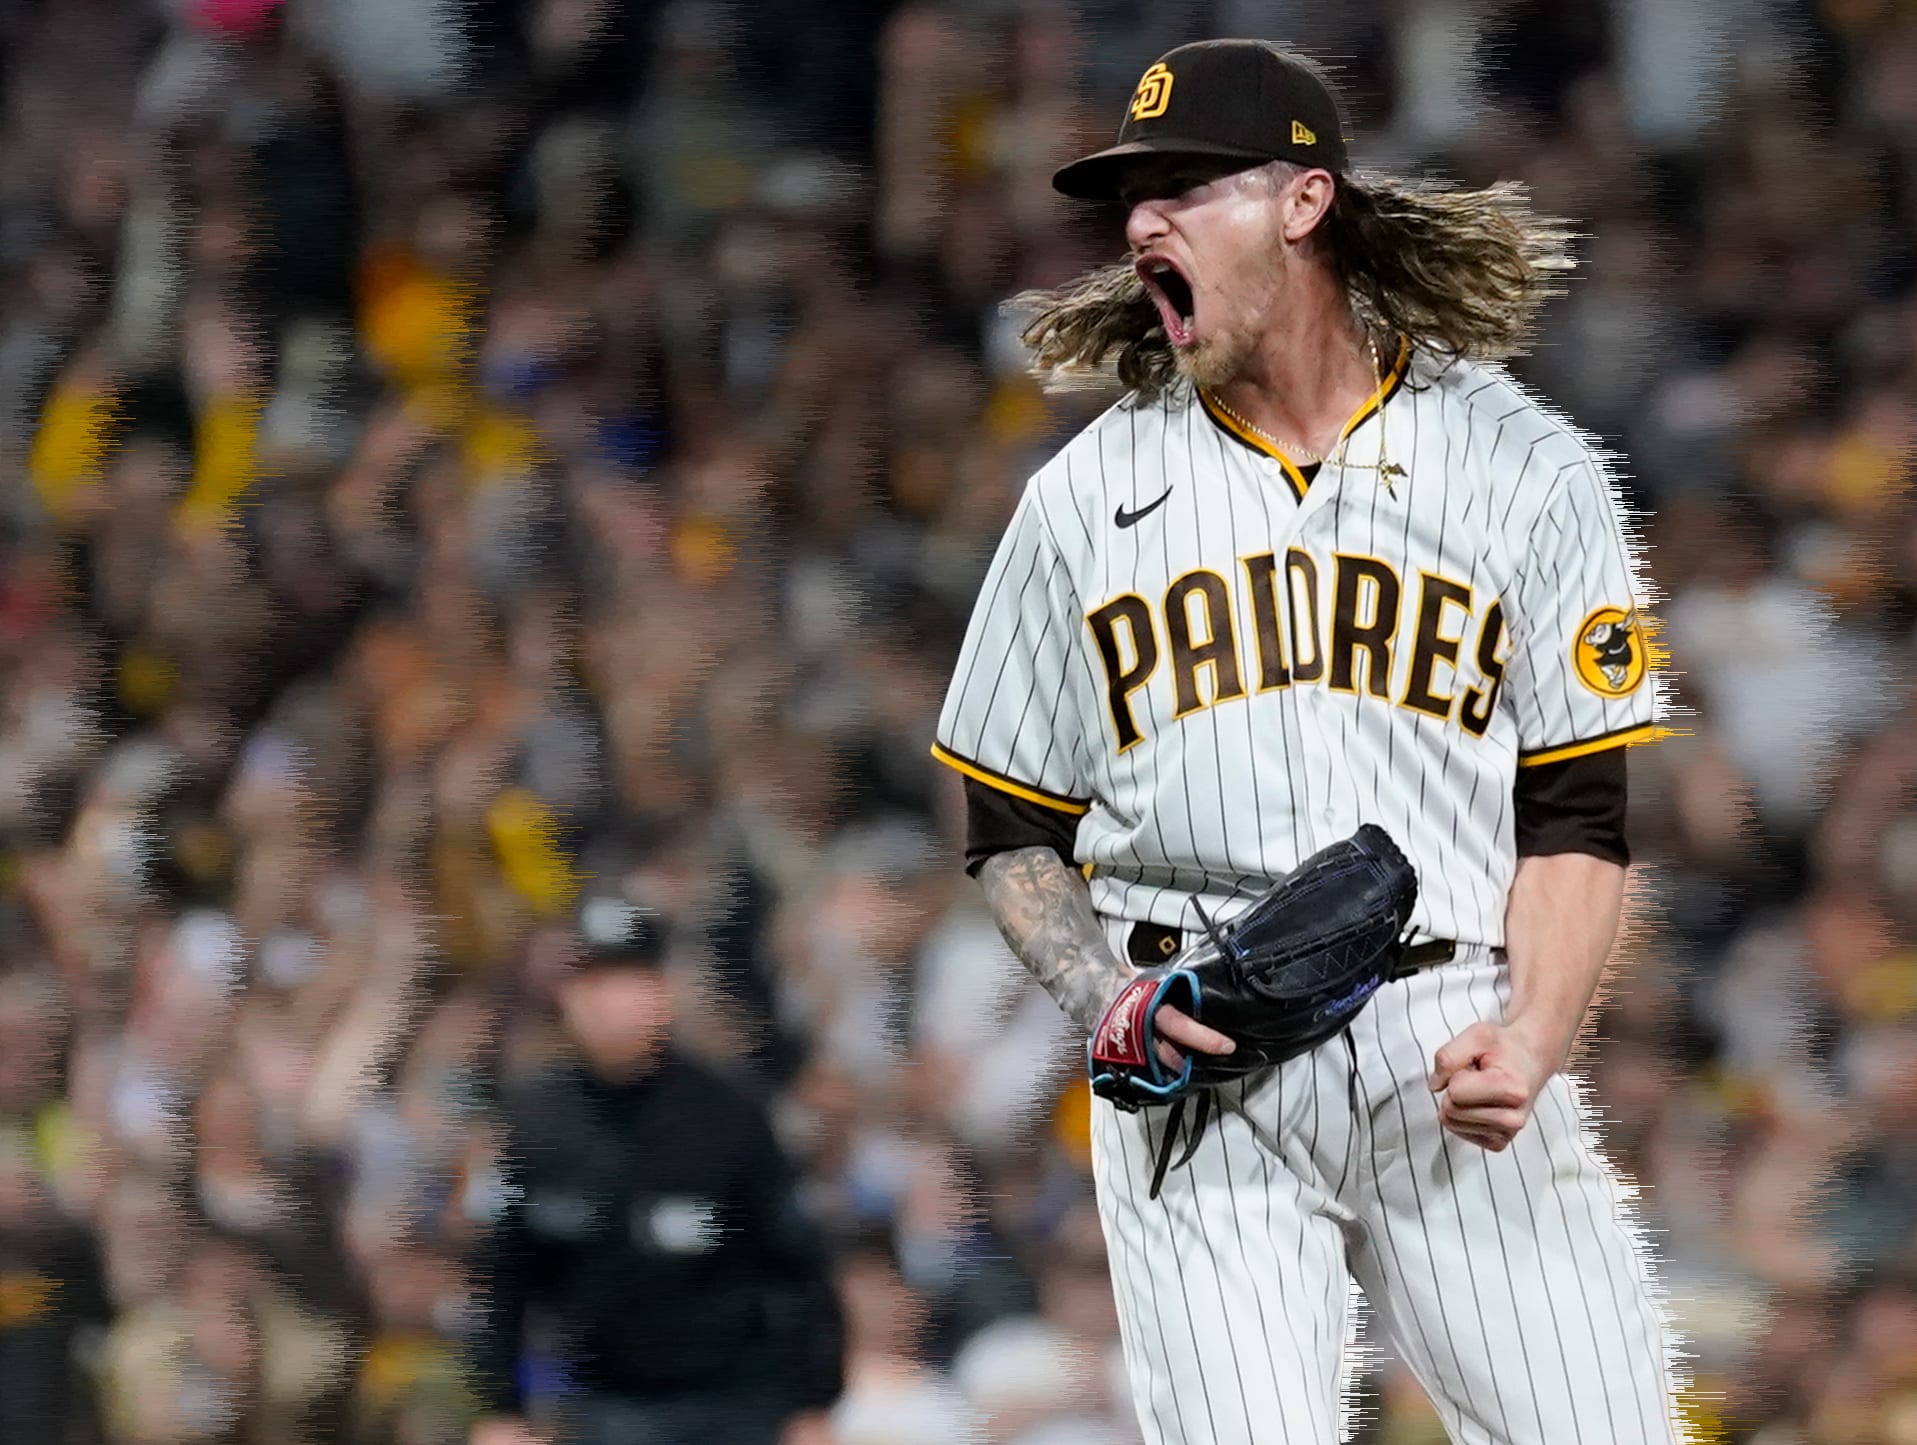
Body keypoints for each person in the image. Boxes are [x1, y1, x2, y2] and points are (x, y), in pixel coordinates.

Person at [934, 37, 1689, 1444]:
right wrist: (1106, 995)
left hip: (1447, 1026)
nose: (1142, 221)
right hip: (1194, 1039)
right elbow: (1010, 828)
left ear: (1302, 201)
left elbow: (1580, 815)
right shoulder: (1083, 498)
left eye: (1183, 184)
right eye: (1130, 197)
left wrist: (1535, 1031)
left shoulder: (1525, 467)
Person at [465, 895, 846, 1445]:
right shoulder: (533, 1125)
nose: (610, 1001)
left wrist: (814, 1402)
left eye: (630, 980)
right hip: (603, 1398)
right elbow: (500, 1276)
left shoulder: (729, 1115)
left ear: (662, 992)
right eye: (592, 982)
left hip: (735, 1397)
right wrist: (500, 1408)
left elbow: (799, 1269)